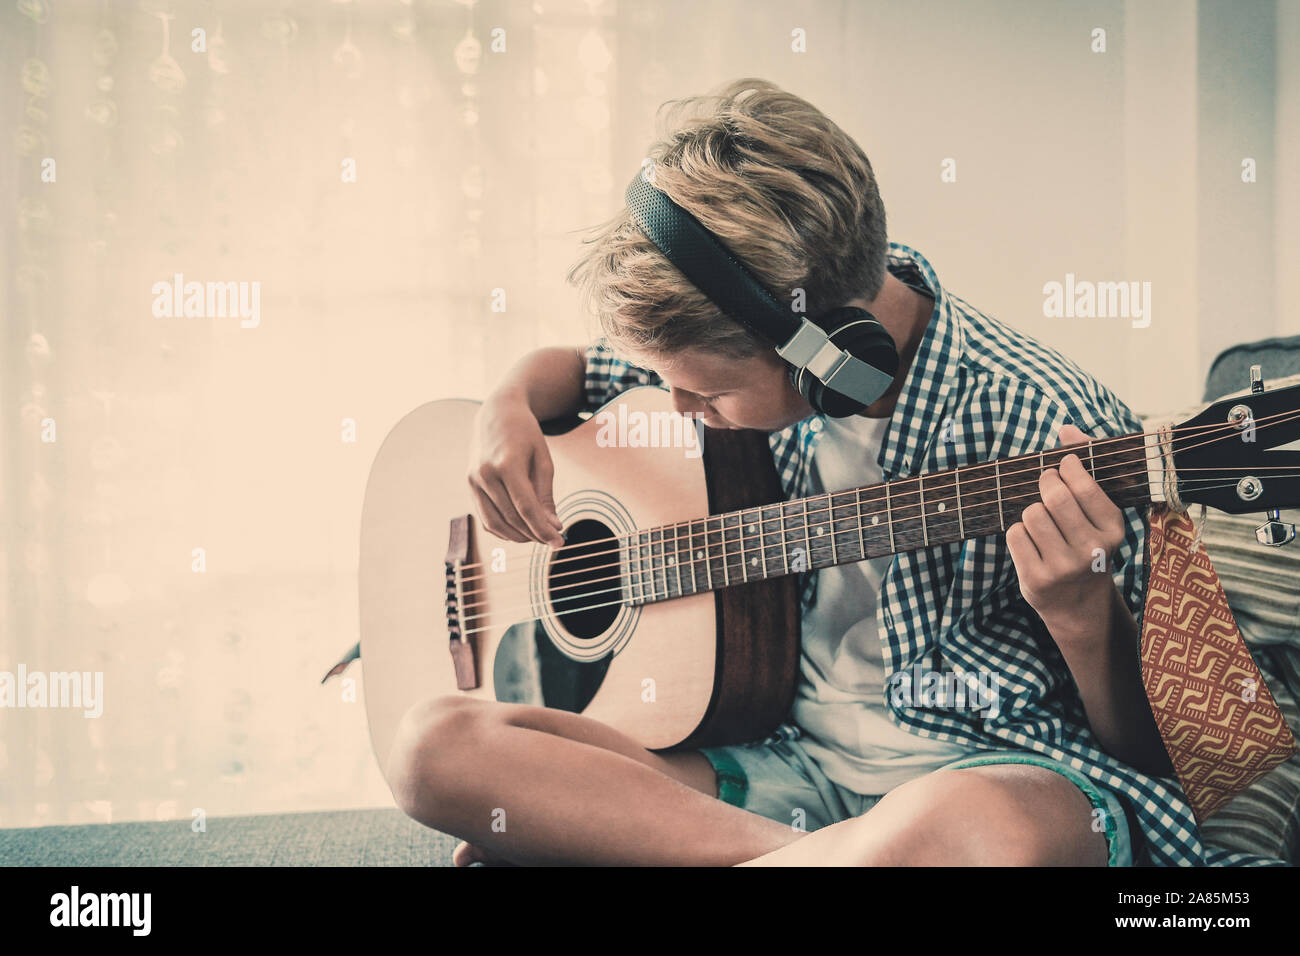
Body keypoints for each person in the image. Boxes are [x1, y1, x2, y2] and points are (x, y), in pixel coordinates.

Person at [385, 78, 1234, 866]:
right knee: (432, 749)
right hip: (776, 778)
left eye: (705, 394)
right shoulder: (722, 334)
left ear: (827, 356)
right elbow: (570, 369)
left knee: (975, 829)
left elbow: (1173, 750)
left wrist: (1084, 614)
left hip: (996, 781)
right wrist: (505, 404)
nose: (677, 409)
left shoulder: (1050, 420)